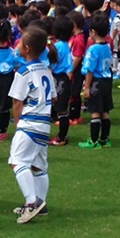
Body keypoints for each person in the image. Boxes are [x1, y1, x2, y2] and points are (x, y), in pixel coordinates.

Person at [8, 27, 55, 223]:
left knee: (17, 162)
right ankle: (41, 203)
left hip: (29, 123)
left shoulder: (23, 72)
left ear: (26, 48)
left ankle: (31, 203)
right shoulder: (46, 70)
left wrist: (18, 122)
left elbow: (17, 101)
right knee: (39, 166)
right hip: (44, 123)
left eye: (19, 43)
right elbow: (54, 96)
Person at [77, 14, 113, 149]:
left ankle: (93, 141)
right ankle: (104, 139)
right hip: (106, 81)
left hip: (96, 81)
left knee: (95, 111)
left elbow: (89, 69)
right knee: (104, 110)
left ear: (93, 32)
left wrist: (86, 87)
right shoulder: (107, 46)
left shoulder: (93, 49)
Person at [48, 17, 74, 146]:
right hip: (64, 79)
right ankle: (61, 135)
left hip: (58, 79)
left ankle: (61, 137)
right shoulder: (65, 45)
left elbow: (51, 64)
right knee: (62, 109)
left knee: (61, 110)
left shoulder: (56, 46)